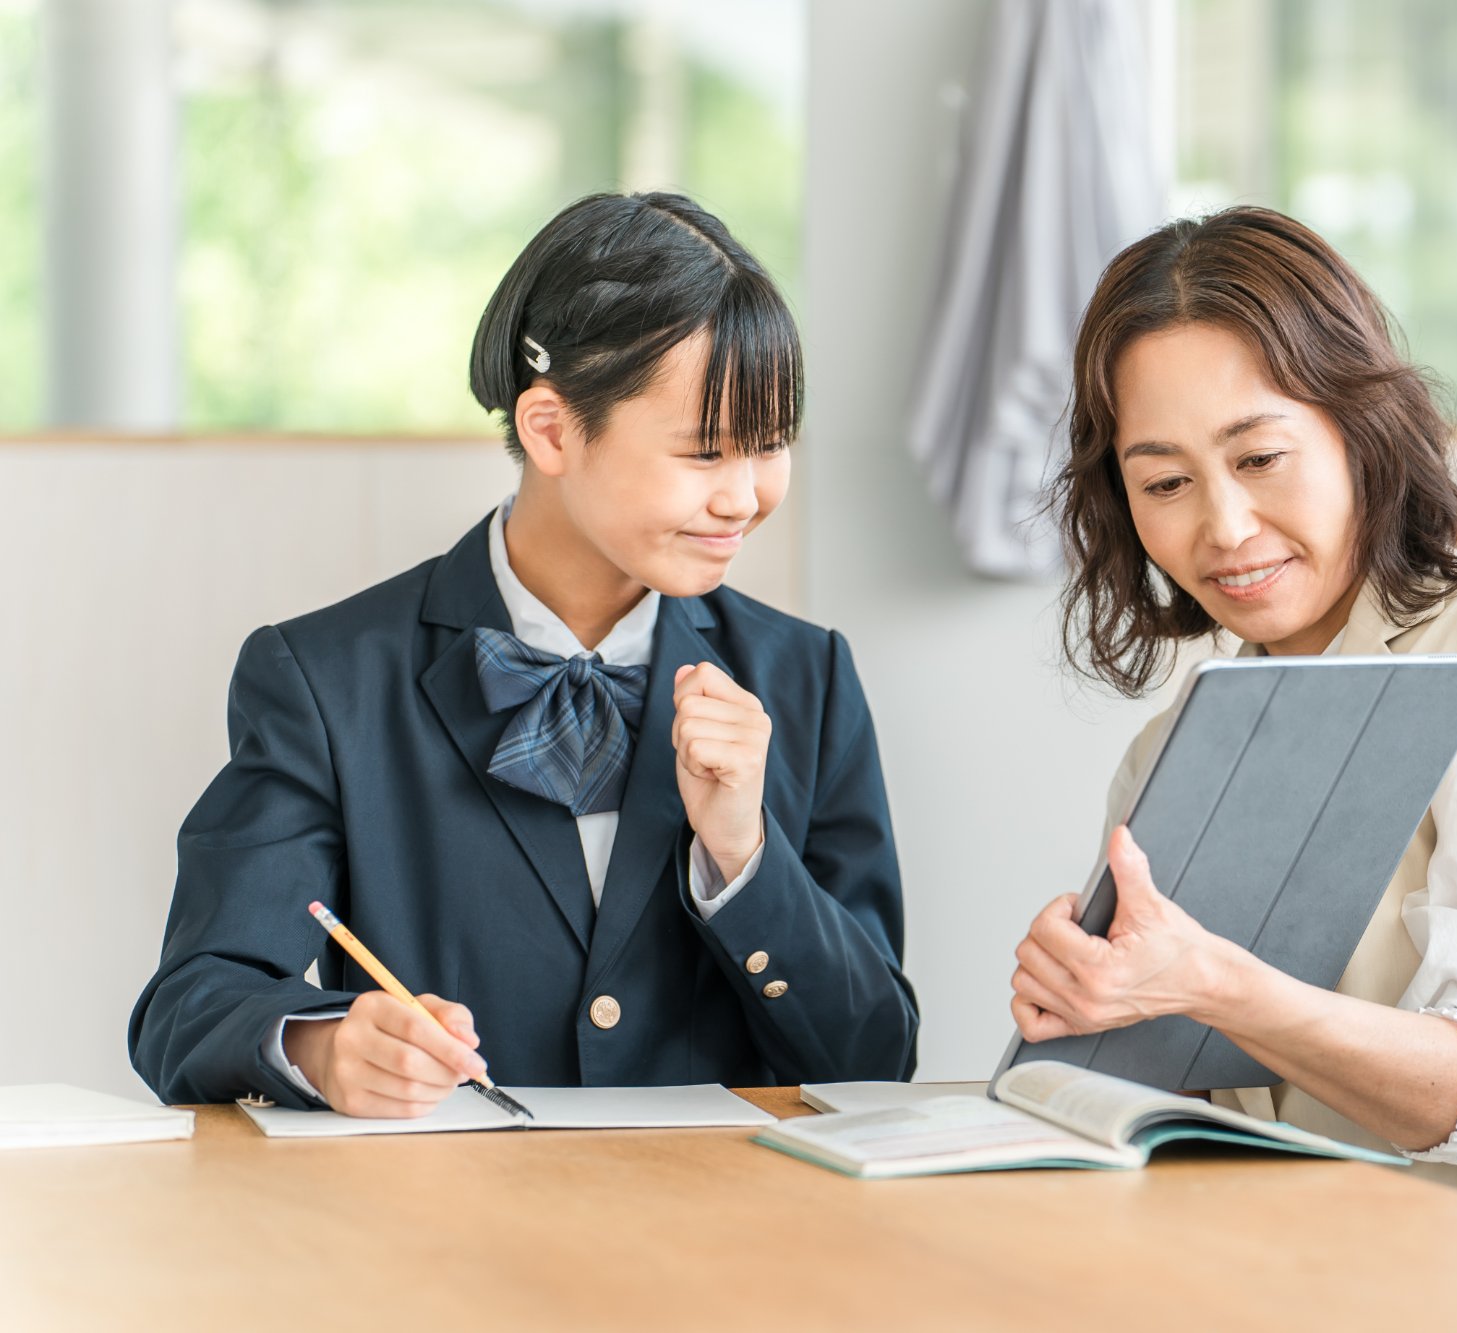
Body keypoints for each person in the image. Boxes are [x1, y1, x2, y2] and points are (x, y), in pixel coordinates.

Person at [1008, 206, 1457, 1271]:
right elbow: (1200, 1114)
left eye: (1258, 457)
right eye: (1163, 482)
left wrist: (1213, 986)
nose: (1223, 527)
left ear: (1362, 429)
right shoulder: (1173, 744)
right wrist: (1089, 1022)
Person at [131, 192, 917, 1116]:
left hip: (726, 1242)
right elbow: (186, 1008)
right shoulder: (326, 679)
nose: (745, 496)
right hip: (440, 1235)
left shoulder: (808, 677)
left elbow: (879, 1055)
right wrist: (324, 1042)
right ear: (550, 429)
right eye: (706, 452)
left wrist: (743, 855)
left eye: (772, 445)